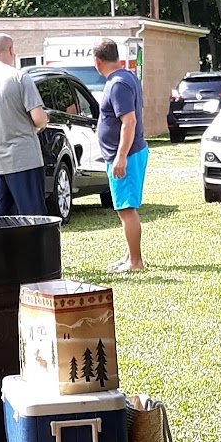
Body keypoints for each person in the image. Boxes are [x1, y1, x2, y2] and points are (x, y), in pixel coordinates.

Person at [0, 33, 48, 217]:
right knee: (33, 217)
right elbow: (38, 119)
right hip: (24, 159)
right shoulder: (20, 77)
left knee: (0, 219)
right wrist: (44, 119)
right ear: (11, 50)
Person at [93, 37, 146, 272]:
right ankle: (129, 257)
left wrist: (121, 156)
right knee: (125, 207)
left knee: (126, 209)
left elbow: (129, 121)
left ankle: (135, 262)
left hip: (126, 154)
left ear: (97, 61)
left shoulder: (117, 84)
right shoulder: (127, 77)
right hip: (125, 153)